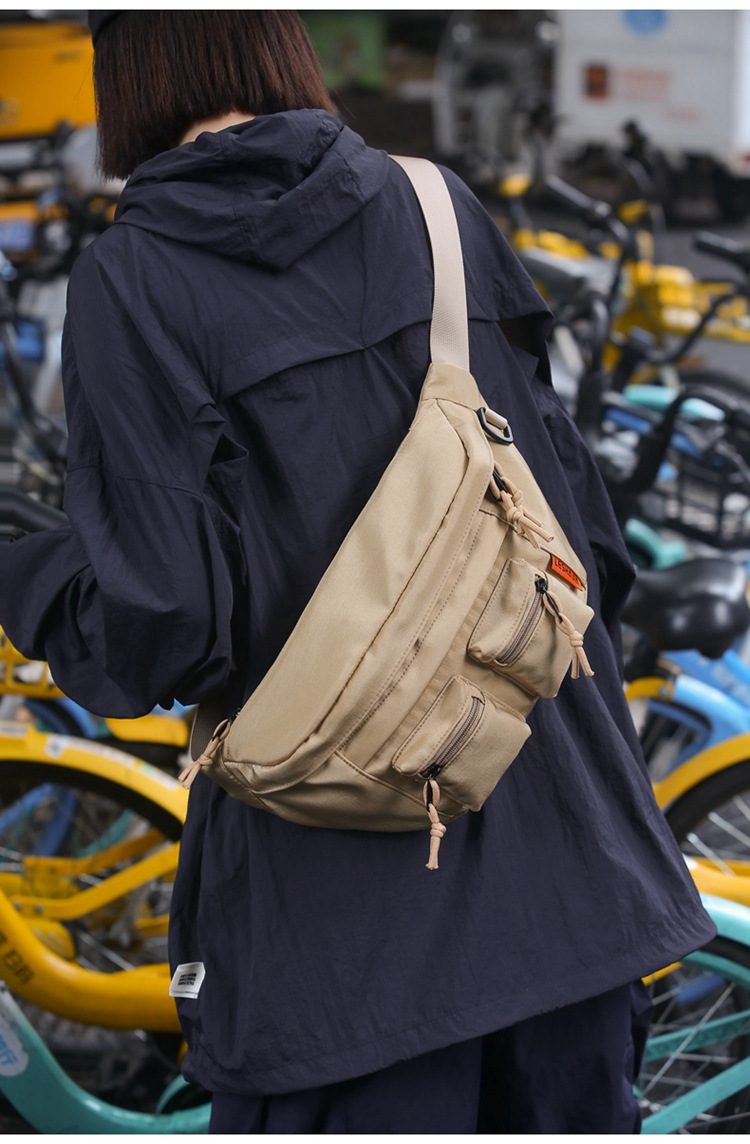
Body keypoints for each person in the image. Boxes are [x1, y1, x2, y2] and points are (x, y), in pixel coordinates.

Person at [0, 11, 715, 1134]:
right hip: (575, 879)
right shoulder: (439, 207)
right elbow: (588, 543)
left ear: (122, 74)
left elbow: (168, 627)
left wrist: (32, 578)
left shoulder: (133, 278)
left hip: (349, 953)